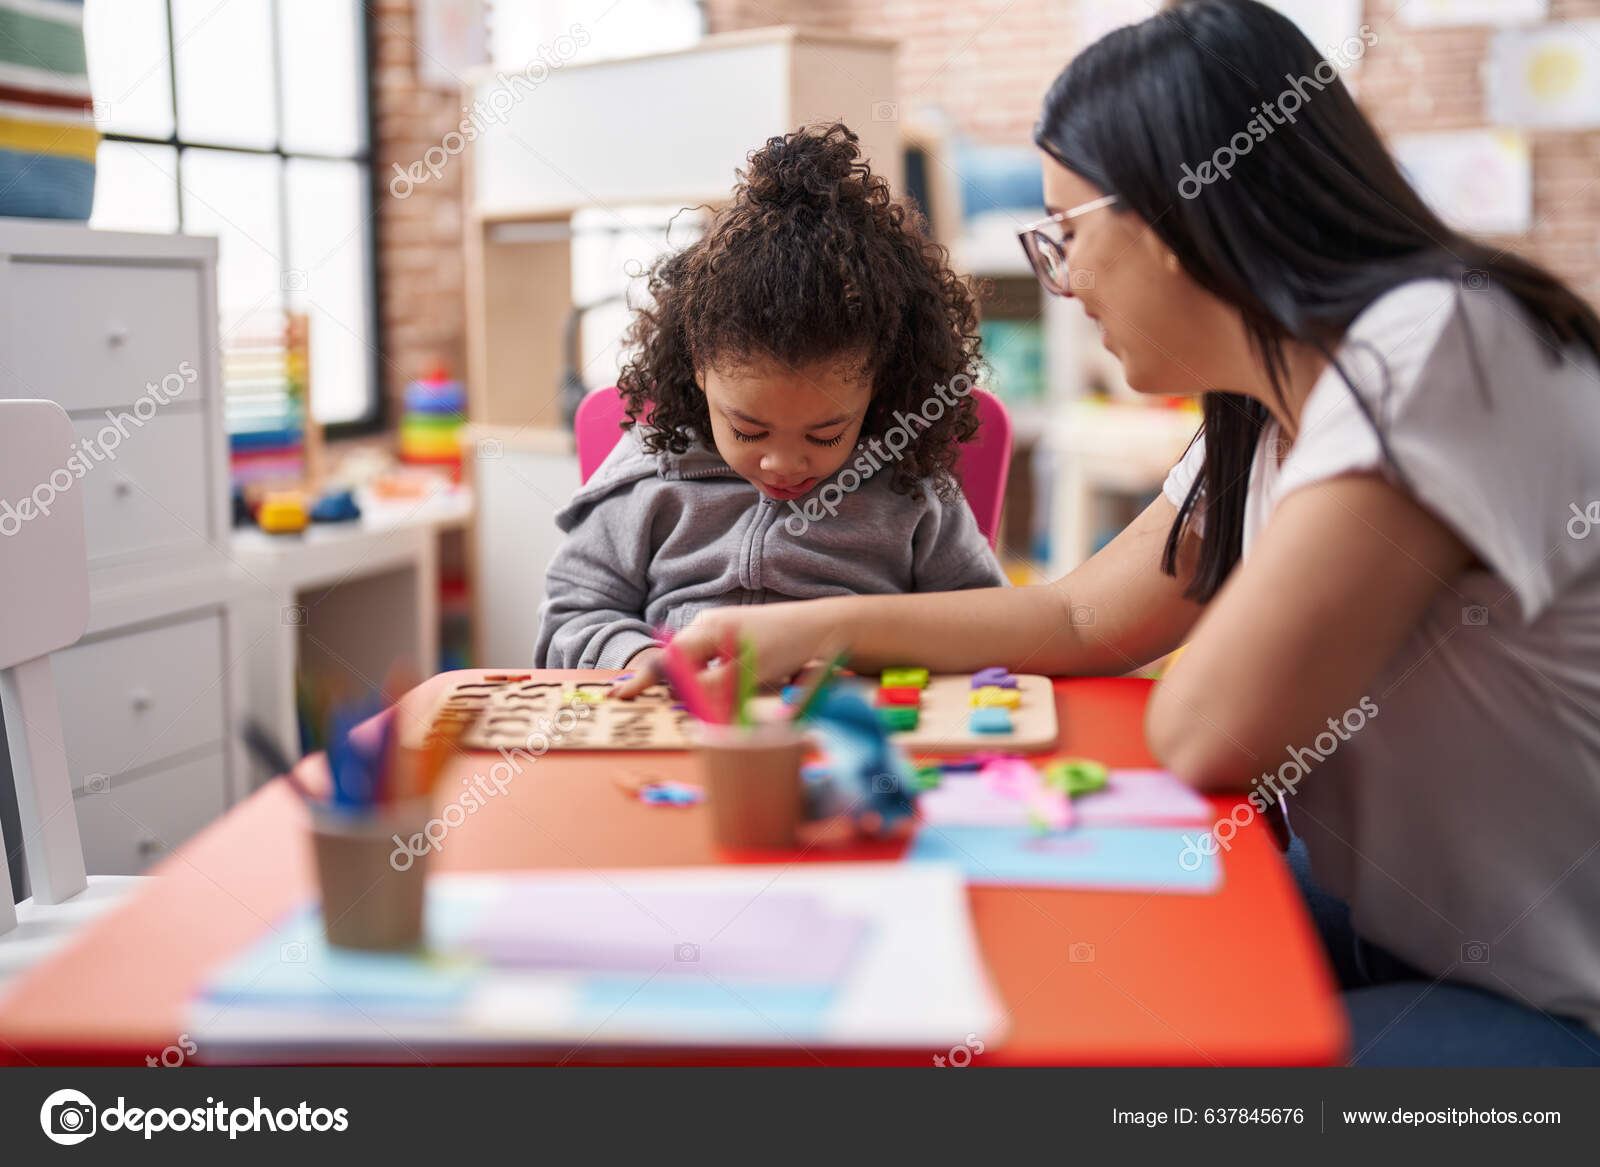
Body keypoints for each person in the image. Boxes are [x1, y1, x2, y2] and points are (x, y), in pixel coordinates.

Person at [666, 0, 1600, 1065]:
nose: (1059, 280)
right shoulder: (1265, 401)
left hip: (1546, 995)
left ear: (1168, 217)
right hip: (1407, 932)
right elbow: (1080, 614)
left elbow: (1211, 730)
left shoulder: (1437, 344)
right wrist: (800, 632)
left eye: (1066, 231)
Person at [535, 123, 1006, 675]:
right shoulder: (647, 480)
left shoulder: (908, 491)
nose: (782, 464)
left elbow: (983, 627)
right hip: (683, 738)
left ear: (881, 389)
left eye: (826, 433)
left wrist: (871, 664)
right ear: (698, 373)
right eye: (749, 431)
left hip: (855, 742)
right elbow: (570, 620)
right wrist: (638, 657)